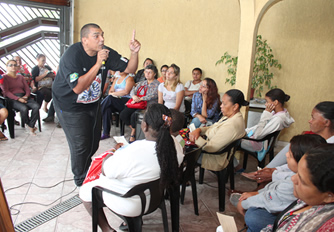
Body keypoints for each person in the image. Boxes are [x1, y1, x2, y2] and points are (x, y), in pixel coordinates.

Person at [52, 23, 141, 187]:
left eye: (102, 35)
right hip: (69, 105)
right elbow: (78, 87)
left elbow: (129, 69)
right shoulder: (72, 56)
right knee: (80, 145)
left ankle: (86, 169)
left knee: (93, 143)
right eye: (96, 36)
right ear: (84, 40)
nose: (102, 39)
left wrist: (134, 53)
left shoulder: (106, 52)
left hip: (92, 104)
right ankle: (81, 181)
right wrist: (99, 63)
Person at [79, 103, 179, 232]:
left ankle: (107, 229)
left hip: (131, 204)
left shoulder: (133, 152)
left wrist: (111, 154)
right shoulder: (174, 143)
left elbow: (106, 171)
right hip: (155, 197)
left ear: (145, 126)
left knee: (86, 190)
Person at [236, 134, 327, 232]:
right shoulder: (297, 173)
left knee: (253, 216)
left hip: (277, 209)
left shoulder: (292, 185)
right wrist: (256, 193)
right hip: (276, 200)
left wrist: (244, 204)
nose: (286, 155)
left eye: (290, 155)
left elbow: (271, 197)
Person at [246, 101, 334, 183]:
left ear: (326, 122)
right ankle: (263, 174)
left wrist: (274, 173)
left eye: (313, 118)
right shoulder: (316, 139)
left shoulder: (327, 151)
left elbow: (303, 174)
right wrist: (274, 170)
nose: (309, 121)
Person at [260, 144, 334, 232]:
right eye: (297, 172)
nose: (293, 178)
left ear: (329, 196)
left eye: (302, 181)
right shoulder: (311, 199)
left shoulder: (316, 226)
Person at [189, 89, 248, 171]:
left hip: (214, 158)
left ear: (235, 106)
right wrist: (199, 130)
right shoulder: (231, 116)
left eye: (224, 104)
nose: (221, 106)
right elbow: (213, 127)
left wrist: (195, 137)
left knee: (184, 153)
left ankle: (184, 179)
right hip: (216, 151)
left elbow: (210, 147)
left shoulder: (231, 125)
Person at [240, 88, 294, 161]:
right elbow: (258, 127)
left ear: (275, 102)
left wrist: (265, 114)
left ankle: (236, 167)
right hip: (259, 140)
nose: (265, 104)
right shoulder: (278, 113)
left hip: (258, 144)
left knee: (230, 142)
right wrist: (245, 131)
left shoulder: (278, 119)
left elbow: (257, 135)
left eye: (267, 101)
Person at [120, 64, 160, 143]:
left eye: (150, 72)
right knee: (123, 114)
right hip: (138, 104)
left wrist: (141, 98)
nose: (147, 74)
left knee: (134, 116)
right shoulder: (142, 83)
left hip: (148, 105)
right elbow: (133, 90)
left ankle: (133, 133)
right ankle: (134, 128)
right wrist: (134, 96)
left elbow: (154, 95)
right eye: (146, 72)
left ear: (154, 74)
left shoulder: (157, 84)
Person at [1, 60, 40, 135]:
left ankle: (31, 125)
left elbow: (27, 89)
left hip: (24, 96)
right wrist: (18, 99)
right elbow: (6, 92)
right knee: (24, 108)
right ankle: (29, 124)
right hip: (12, 98)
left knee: (36, 106)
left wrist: (26, 96)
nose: (13, 67)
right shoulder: (4, 77)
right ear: (6, 67)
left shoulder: (20, 77)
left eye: (15, 65)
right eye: (11, 65)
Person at [100, 69, 135, 140]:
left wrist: (113, 94)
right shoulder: (116, 79)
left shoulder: (129, 78)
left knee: (109, 98)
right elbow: (110, 91)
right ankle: (106, 133)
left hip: (125, 102)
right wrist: (114, 94)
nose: (120, 70)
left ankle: (98, 113)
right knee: (107, 108)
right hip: (115, 100)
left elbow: (126, 92)